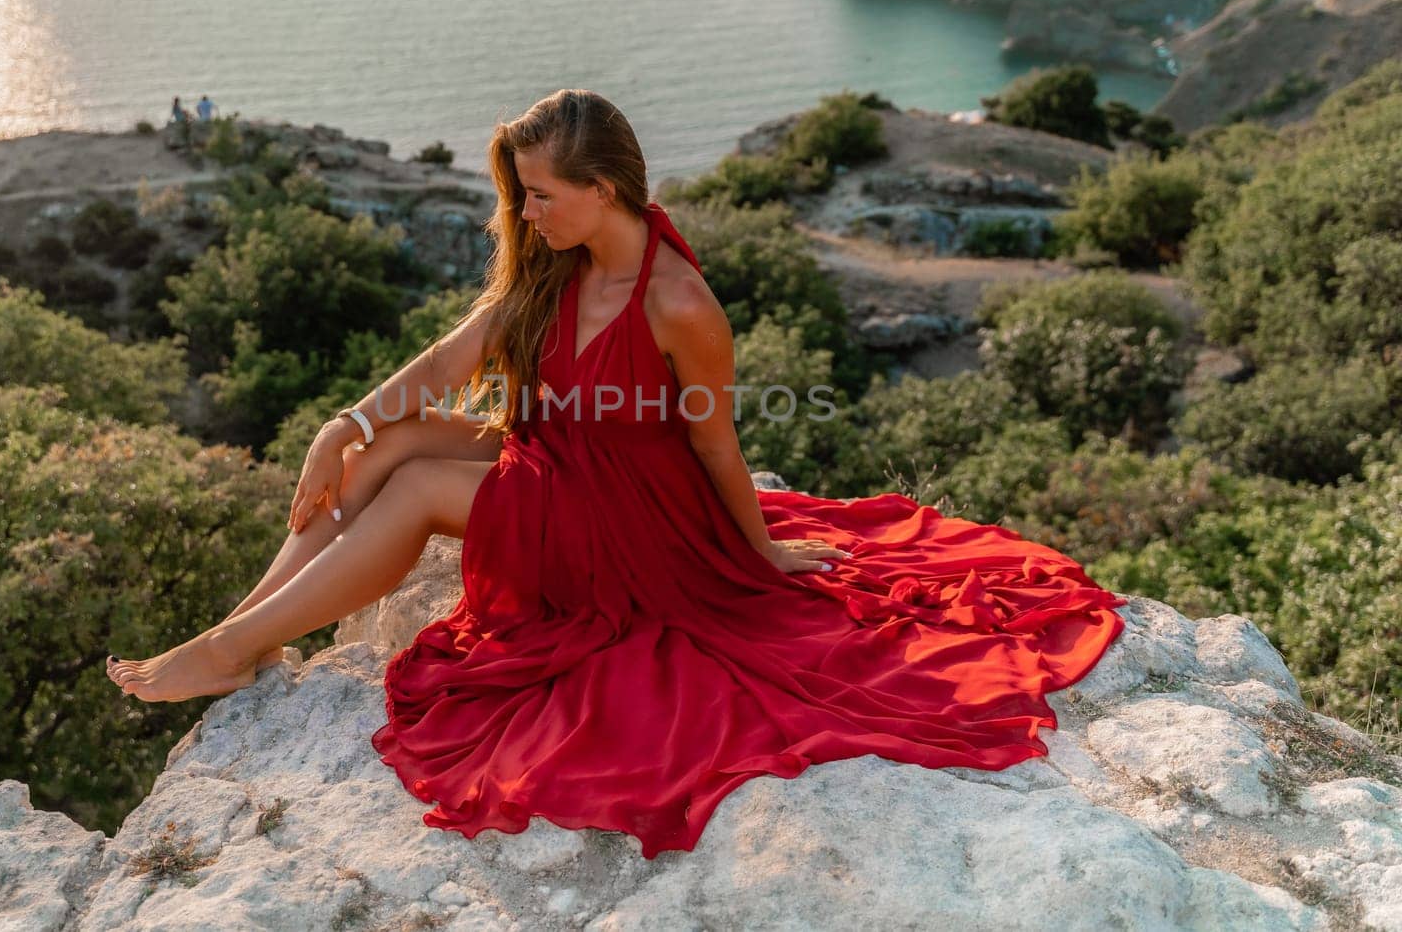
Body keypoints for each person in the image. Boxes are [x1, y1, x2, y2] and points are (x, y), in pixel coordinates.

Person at [105, 88, 1128, 859]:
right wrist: (341, 421)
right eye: (523, 192)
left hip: (635, 525)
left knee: (415, 486)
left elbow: (714, 441)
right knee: (386, 446)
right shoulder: (554, 264)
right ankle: (241, 630)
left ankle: (229, 644)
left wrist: (759, 547)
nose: (526, 210)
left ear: (604, 191)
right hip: (559, 465)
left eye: (542, 194)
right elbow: (446, 364)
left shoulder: (679, 301)